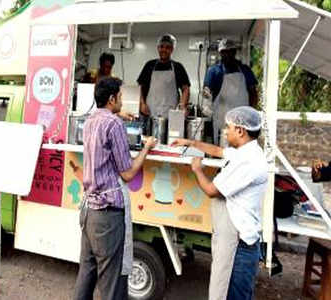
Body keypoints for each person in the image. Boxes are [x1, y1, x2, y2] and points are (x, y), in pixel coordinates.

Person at [172, 106, 268, 300]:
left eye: (229, 127)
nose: (226, 131)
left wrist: (197, 169)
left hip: (239, 246)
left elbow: (212, 191)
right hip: (235, 240)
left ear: (240, 131)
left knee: (233, 294)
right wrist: (190, 142)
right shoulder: (246, 150)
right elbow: (218, 151)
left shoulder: (248, 161)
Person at [73, 77, 156, 300]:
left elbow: (105, 127)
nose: (122, 100)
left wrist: (118, 115)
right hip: (108, 216)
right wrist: (146, 148)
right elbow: (128, 173)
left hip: (89, 210)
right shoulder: (114, 124)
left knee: (87, 275)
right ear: (111, 99)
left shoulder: (91, 120)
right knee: (112, 284)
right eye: (120, 97)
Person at [203, 38, 258, 145]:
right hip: (221, 119)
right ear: (220, 53)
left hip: (241, 121)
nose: (227, 55)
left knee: (241, 149)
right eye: (224, 52)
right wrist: (207, 105)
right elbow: (206, 91)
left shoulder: (245, 70)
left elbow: (253, 93)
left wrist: (250, 113)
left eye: (230, 52)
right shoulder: (214, 71)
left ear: (234, 52)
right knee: (221, 148)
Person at [137, 34, 190, 118]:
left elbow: (185, 88)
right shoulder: (149, 65)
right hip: (150, 112)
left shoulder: (178, 67)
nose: (164, 50)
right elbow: (140, 87)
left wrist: (182, 105)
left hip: (171, 114)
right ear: (158, 48)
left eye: (167, 47)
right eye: (161, 47)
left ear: (172, 49)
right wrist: (142, 104)